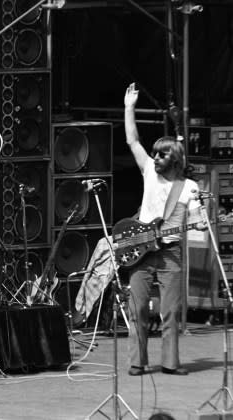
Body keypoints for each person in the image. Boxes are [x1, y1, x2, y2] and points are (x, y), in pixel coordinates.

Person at [124, 82, 205, 376]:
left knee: (170, 312)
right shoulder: (148, 172)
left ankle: (171, 363)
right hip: (141, 250)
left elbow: (196, 224)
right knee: (138, 309)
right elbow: (133, 142)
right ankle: (137, 361)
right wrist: (128, 108)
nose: (155, 158)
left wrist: (201, 222)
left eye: (161, 154)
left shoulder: (189, 187)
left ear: (175, 159)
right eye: (155, 153)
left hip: (170, 252)